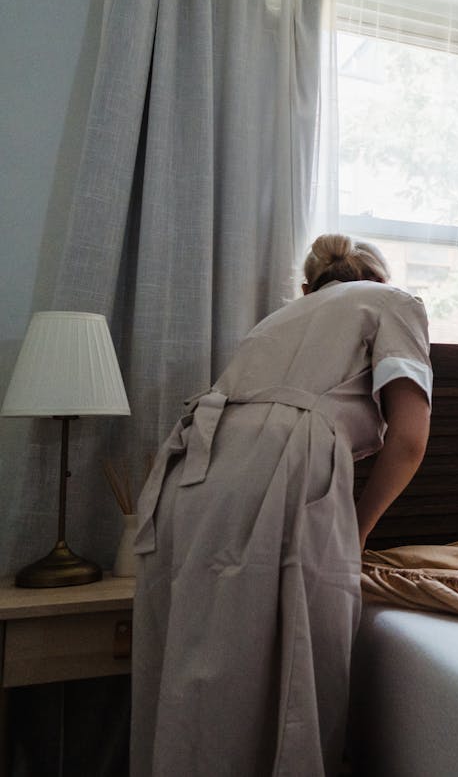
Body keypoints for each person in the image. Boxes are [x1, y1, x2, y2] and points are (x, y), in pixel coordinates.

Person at [130, 234, 433, 776]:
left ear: (306, 287)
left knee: (195, 673)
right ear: (377, 278)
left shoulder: (272, 324)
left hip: (193, 472)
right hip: (280, 465)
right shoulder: (393, 302)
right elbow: (409, 440)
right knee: (289, 671)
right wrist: (358, 533)